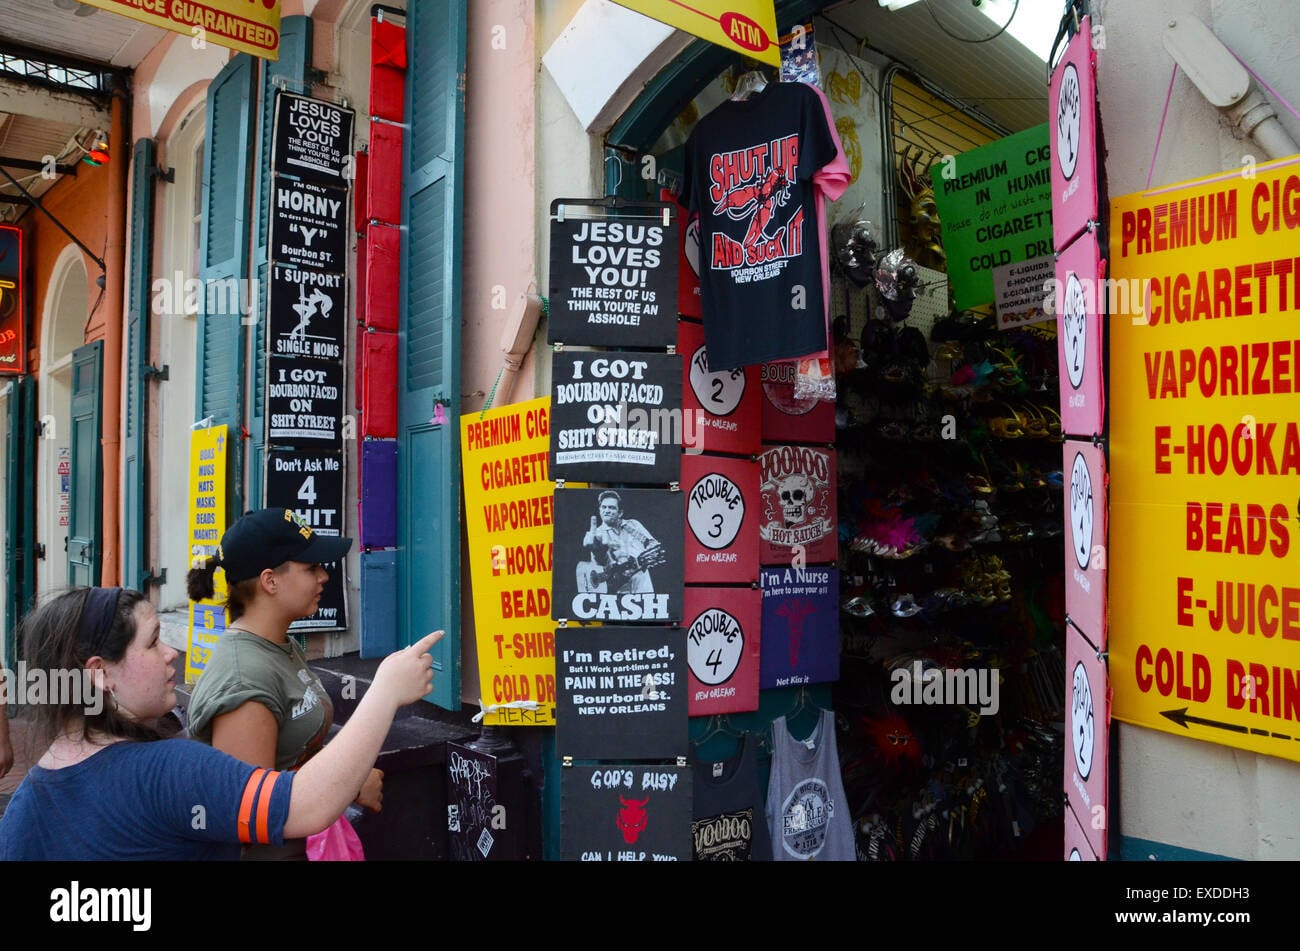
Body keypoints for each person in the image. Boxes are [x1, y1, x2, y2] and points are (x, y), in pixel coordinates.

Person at [0, 584, 442, 860]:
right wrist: (385, 691)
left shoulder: (24, 807)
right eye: (153, 642)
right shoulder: (168, 771)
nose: (170, 652)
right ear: (100, 673)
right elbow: (303, 805)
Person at [184, 507, 380, 860]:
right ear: (270, 581)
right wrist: (347, 785)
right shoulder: (243, 679)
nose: (324, 577)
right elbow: (249, 811)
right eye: (311, 568)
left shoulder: (279, 645)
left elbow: (290, 756)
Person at [578, 490, 664, 594]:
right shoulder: (598, 535)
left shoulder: (633, 525)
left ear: (620, 512)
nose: (607, 510)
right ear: (600, 510)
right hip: (618, 592)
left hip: (643, 587)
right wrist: (599, 553)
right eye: (603, 507)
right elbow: (600, 566)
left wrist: (638, 560)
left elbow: (654, 546)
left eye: (612, 507)